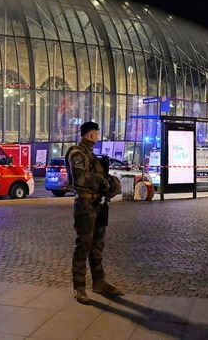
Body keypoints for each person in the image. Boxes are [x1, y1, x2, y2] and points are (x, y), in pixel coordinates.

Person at [65, 121, 123, 304]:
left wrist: (111, 183)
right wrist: (99, 179)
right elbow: (80, 178)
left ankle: (99, 282)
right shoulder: (77, 154)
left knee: (98, 244)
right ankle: (79, 287)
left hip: (98, 203)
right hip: (85, 204)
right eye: (96, 134)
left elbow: (102, 179)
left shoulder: (92, 155)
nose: (97, 137)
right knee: (84, 245)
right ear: (91, 135)